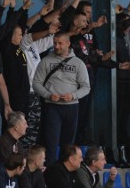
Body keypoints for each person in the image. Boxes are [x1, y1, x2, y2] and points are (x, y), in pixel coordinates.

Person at [31, 33, 90, 163]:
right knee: (51, 143)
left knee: (68, 146)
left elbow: (86, 87)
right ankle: (51, 173)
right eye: (55, 43)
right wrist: (48, 95)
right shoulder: (46, 61)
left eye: (60, 43)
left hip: (71, 107)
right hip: (52, 106)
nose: (56, 46)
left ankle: (66, 174)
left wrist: (73, 95)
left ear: (68, 44)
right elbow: (36, 83)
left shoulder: (78, 63)